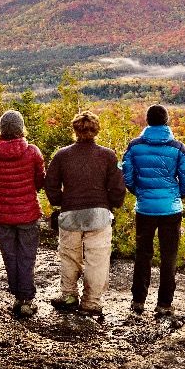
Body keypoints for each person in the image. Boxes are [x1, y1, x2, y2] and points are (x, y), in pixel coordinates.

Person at [44, 110, 126, 317]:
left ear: (75, 130)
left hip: (70, 213)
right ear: (96, 130)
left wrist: (60, 202)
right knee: (97, 259)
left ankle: (69, 295)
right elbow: (117, 187)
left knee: (69, 256)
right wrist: (112, 204)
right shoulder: (108, 155)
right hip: (99, 214)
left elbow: (51, 184)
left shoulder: (62, 155)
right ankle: (91, 301)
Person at [122, 104, 185, 317]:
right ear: (166, 121)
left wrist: (140, 192)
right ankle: (164, 304)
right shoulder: (177, 147)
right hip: (170, 210)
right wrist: (175, 195)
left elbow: (127, 175)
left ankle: (138, 301)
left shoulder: (134, 146)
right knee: (169, 256)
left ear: (148, 121)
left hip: (145, 208)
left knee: (143, 255)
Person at [0, 110, 45, 318]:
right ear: (21, 127)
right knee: (27, 256)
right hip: (28, 213)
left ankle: (18, 297)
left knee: (10, 256)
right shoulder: (33, 152)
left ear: (2, 129)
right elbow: (40, 182)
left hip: (3, 214)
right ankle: (27, 299)